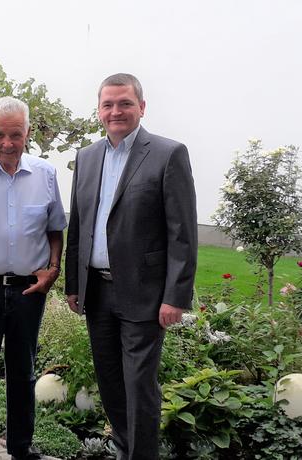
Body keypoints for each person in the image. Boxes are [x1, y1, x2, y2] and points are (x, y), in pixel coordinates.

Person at [65, 73, 197, 460]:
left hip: (144, 292)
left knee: (139, 385)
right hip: (98, 291)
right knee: (109, 382)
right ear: (99, 110)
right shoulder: (86, 157)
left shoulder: (168, 154)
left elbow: (182, 233)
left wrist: (175, 297)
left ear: (142, 106)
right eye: (108, 104)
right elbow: (80, 225)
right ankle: (125, 450)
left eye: (124, 103)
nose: (115, 111)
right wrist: (75, 284)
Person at [0, 96, 67, 460]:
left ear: (28, 133)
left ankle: (21, 447)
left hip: (28, 291)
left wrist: (53, 269)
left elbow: (55, 229)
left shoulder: (46, 175)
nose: (7, 143)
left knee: (23, 373)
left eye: (16, 134)